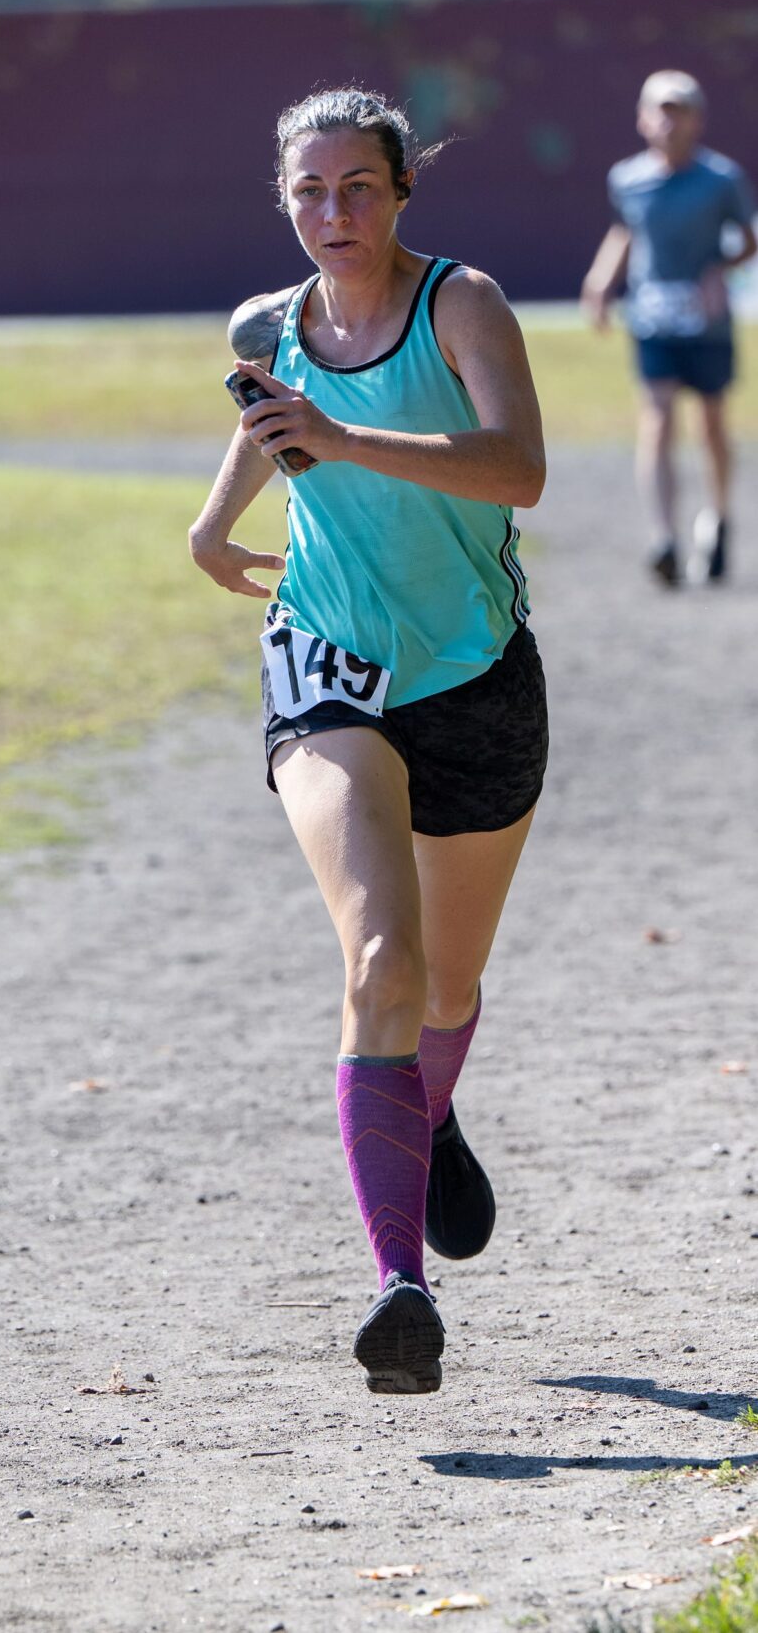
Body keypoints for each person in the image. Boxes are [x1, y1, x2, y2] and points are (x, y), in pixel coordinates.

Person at [189, 89, 547, 1397]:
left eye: (356, 186)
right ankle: (400, 1286)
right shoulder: (263, 326)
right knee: (381, 962)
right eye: (308, 189)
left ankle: (424, 1114)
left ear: (401, 191)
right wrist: (212, 521)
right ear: (282, 198)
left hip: (476, 678)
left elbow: (517, 470)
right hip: (327, 660)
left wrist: (346, 438)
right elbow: (269, 425)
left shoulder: (462, 306)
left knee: (444, 988)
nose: (332, 211)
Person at [581, 69, 757, 586]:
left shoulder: (721, 179)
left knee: (711, 422)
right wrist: (600, 281)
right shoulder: (627, 178)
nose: (668, 122)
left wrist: (719, 271)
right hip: (653, 316)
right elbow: (625, 231)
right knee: (656, 417)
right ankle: (664, 538)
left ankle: (718, 518)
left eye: (679, 112)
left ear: (698, 120)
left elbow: (748, 239)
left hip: (707, 322)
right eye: (660, 111)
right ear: (642, 119)